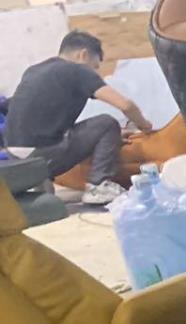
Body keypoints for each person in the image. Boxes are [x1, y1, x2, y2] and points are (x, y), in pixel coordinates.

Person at [3, 32, 154, 206]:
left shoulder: (34, 71)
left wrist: (107, 139)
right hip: (41, 155)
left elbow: (42, 123)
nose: (95, 72)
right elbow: (125, 105)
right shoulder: (78, 71)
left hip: (15, 157)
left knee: (48, 195)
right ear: (83, 55)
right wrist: (144, 126)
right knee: (106, 123)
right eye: (95, 66)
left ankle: (39, 183)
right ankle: (98, 187)